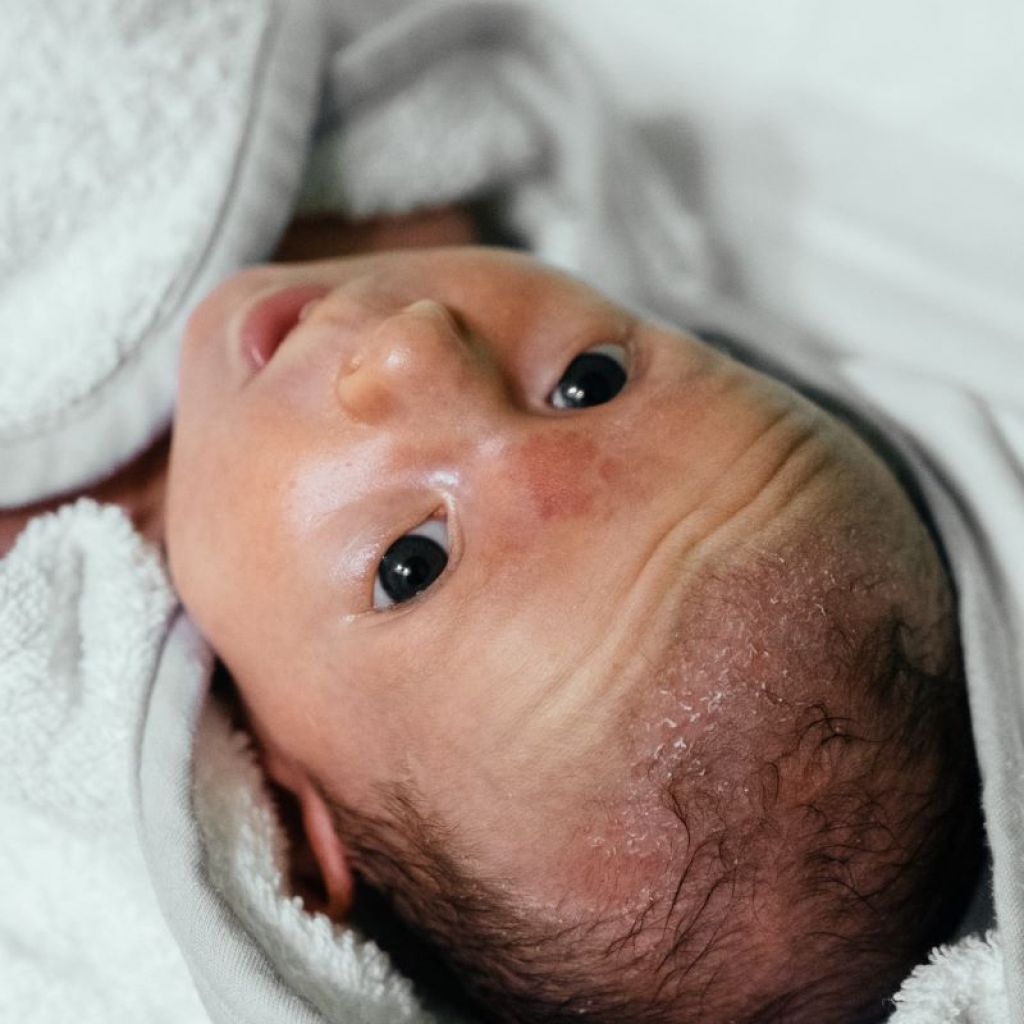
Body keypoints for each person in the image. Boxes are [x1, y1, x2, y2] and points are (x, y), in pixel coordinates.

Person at [4, 203, 982, 1022]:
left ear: (283, 822)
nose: (414, 345)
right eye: (588, 381)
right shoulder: (407, 184)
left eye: (411, 564)